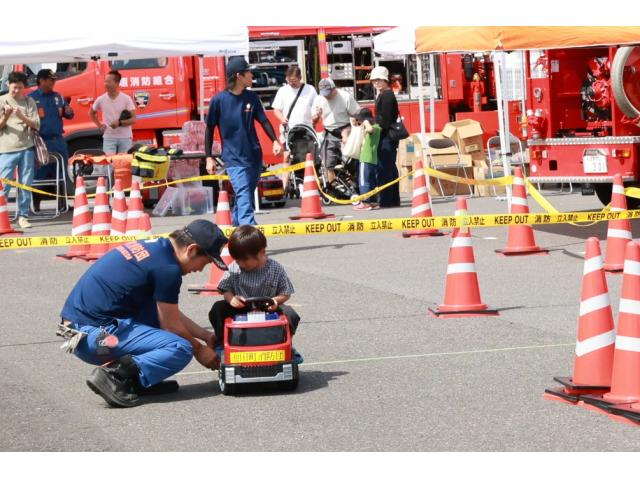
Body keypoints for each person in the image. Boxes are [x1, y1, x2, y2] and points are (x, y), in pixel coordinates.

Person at [60, 219, 228, 408]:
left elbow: (167, 313)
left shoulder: (155, 249)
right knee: (180, 348)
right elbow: (171, 326)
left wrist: (206, 336)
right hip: (97, 341)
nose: (200, 269)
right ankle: (115, 376)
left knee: (156, 319)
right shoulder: (168, 269)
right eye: (205, 261)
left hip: (80, 331)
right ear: (192, 250)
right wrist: (199, 350)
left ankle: (135, 381)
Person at [204, 57, 282, 226]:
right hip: (233, 157)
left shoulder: (251, 97)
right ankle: (249, 229)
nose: (252, 75)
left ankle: (236, 227)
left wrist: (275, 141)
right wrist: (209, 157)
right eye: (248, 72)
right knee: (243, 191)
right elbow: (209, 129)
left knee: (245, 193)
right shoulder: (219, 101)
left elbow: (264, 121)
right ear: (239, 76)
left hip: (254, 155)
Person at [208, 225, 299, 344]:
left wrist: (275, 301)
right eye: (236, 259)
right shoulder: (235, 267)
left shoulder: (275, 268)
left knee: (290, 314)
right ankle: (222, 340)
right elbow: (225, 288)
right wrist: (231, 299)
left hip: (268, 308)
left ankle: (285, 340)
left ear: (262, 253)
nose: (240, 263)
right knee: (217, 308)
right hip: (241, 308)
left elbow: (286, 293)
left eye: (244, 259)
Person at [28, 69, 74, 212]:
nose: (54, 82)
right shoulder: (31, 98)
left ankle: (63, 204)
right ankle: (36, 204)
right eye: (51, 80)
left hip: (58, 140)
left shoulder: (58, 96)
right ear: (41, 81)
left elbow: (67, 113)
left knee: (61, 172)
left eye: (54, 79)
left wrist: (69, 112)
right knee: (39, 173)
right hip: (41, 141)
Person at [0, 71, 40, 229]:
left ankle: (23, 216)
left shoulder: (29, 101)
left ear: (25, 87)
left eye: (20, 88)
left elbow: (36, 124)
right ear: (8, 85)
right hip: (6, 149)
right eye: (14, 87)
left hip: (27, 148)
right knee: (4, 185)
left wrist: (22, 116)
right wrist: (6, 116)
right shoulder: (2, 100)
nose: (17, 90)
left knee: (25, 184)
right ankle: (2, 217)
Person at [272, 66, 317, 191]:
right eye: (289, 81)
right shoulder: (283, 91)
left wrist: (316, 116)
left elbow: (316, 108)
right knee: (286, 156)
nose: (291, 83)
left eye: (294, 81)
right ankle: (284, 186)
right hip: (289, 129)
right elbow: (276, 109)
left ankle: (310, 183)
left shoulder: (310, 89)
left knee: (309, 156)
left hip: (306, 129)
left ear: (300, 78)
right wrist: (282, 118)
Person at [312, 77, 359, 184]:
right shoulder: (319, 99)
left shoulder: (345, 97)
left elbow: (357, 114)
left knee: (351, 162)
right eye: (324, 93)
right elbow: (313, 121)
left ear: (334, 89)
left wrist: (351, 131)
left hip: (346, 131)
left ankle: (354, 184)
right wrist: (317, 115)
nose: (326, 96)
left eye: (328, 93)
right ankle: (333, 187)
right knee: (328, 164)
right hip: (329, 132)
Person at [371, 66, 401, 208]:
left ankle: (386, 200)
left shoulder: (387, 95)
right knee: (390, 168)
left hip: (386, 136)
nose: (376, 83)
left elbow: (386, 120)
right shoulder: (384, 94)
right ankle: (393, 199)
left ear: (385, 80)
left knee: (385, 169)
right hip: (387, 135)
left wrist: (374, 125)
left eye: (379, 80)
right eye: (374, 80)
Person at [90, 70, 136, 154]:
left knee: (124, 161)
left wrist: (119, 123)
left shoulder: (126, 99)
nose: (106, 84)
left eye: (109, 82)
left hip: (125, 137)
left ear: (117, 83)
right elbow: (91, 113)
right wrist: (100, 126)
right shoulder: (101, 99)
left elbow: (133, 120)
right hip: (109, 137)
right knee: (108, 161)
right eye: (105, 82)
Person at [353, 108, 380, 211]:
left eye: (360, 120)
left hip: (366, 158)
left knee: (364, 181)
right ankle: (373, 201)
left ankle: (365, 203)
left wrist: (365, 122)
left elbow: (369, 129)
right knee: (372, 181)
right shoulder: (378, 127)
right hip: (373, 159)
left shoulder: (374, 128)